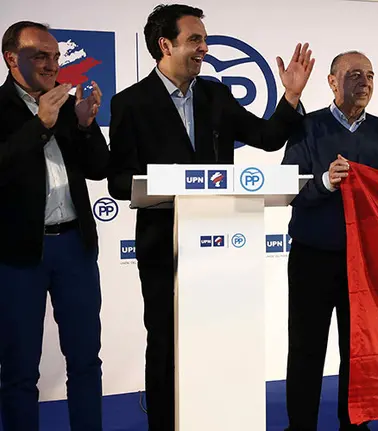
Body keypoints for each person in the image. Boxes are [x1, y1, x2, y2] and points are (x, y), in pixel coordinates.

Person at [106, 5, 314, 430]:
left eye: (204, 39)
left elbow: (267, 138)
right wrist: (171, 183)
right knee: (164, 343)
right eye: (195, 39)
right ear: (166, 45)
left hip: (222, 243)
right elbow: (118, 181)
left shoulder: (215, 95)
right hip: (163, 244)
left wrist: (290, 97)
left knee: (219, 341)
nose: (205, 47)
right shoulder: (130, 103)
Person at [281, 50, 378, 431]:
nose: (364, 82)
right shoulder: (307, 126)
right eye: (354, 75)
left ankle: (354, 423)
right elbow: (288, 187)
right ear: (332, 82)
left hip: (364, 259)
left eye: (369, 75)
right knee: (306, 348)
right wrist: (324, 182)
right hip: (312, 255)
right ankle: (300, 425)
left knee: (359, 350)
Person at [0, 21, 109, 431]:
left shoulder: (64, 102)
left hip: (74, 248)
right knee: (19, 369)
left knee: (85, 361)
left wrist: (84, 124)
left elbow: (100, 168)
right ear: (12, 58)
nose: (52, 64)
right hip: (17, 255)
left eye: (55, 56)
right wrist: (40, 124)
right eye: (40, 56)